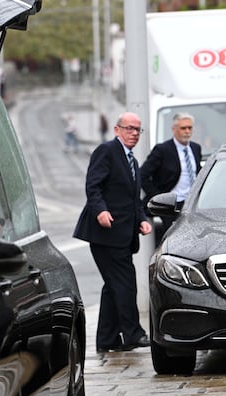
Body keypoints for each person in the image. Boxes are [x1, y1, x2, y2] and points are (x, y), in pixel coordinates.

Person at [73, 112, 153, 352]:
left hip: (123, 235)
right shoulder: (106, 151)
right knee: (125, 284)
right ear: (117, 130)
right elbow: (93, 185)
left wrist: (142, 220)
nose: (134, 133)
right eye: (129, 128)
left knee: (113, 285)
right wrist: (100, 210)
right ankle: (133, 334)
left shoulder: (133, 162)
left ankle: (107, 339)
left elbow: (133, 200)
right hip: (105, 234)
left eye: (137, 129)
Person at [140, 112, 202, 241]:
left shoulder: (196, 148)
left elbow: (198, 173)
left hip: (192, 204)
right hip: (172, 205)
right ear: (174, 129)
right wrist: (158, 197)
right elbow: (143, 175)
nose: (187, 131)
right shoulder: (162, 150)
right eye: (183, 128)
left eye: (190, 128)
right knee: (175, 240)